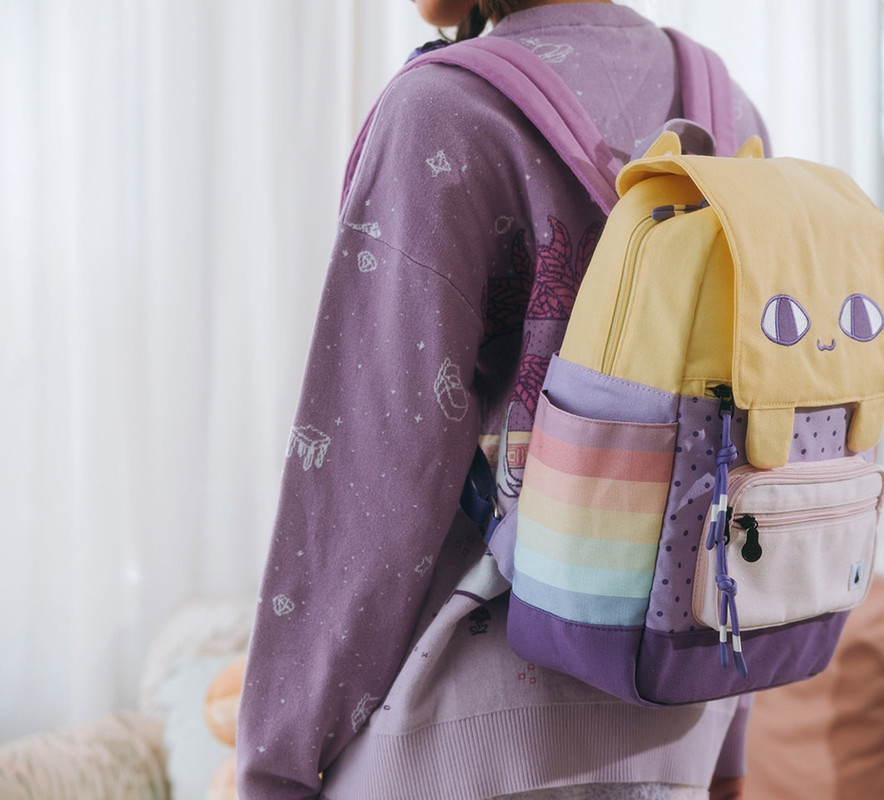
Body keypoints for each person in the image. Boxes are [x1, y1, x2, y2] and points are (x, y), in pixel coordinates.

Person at [236, 1, 771, 798]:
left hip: (459, 741)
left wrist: (273, 766)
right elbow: (749, 448)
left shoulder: (443, 111)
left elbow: (367, 490)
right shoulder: (729, 118)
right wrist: (728, 748)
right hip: (680, 727)